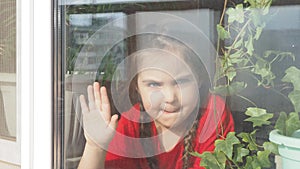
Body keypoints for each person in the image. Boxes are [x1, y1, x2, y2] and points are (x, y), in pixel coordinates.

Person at [77, 34, 234, 169]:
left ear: (198, 80)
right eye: (154, 84)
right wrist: (95, 147)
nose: (170, 97)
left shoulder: (212, 112)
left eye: (182, 82)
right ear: (137, 87)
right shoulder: (130, 125)